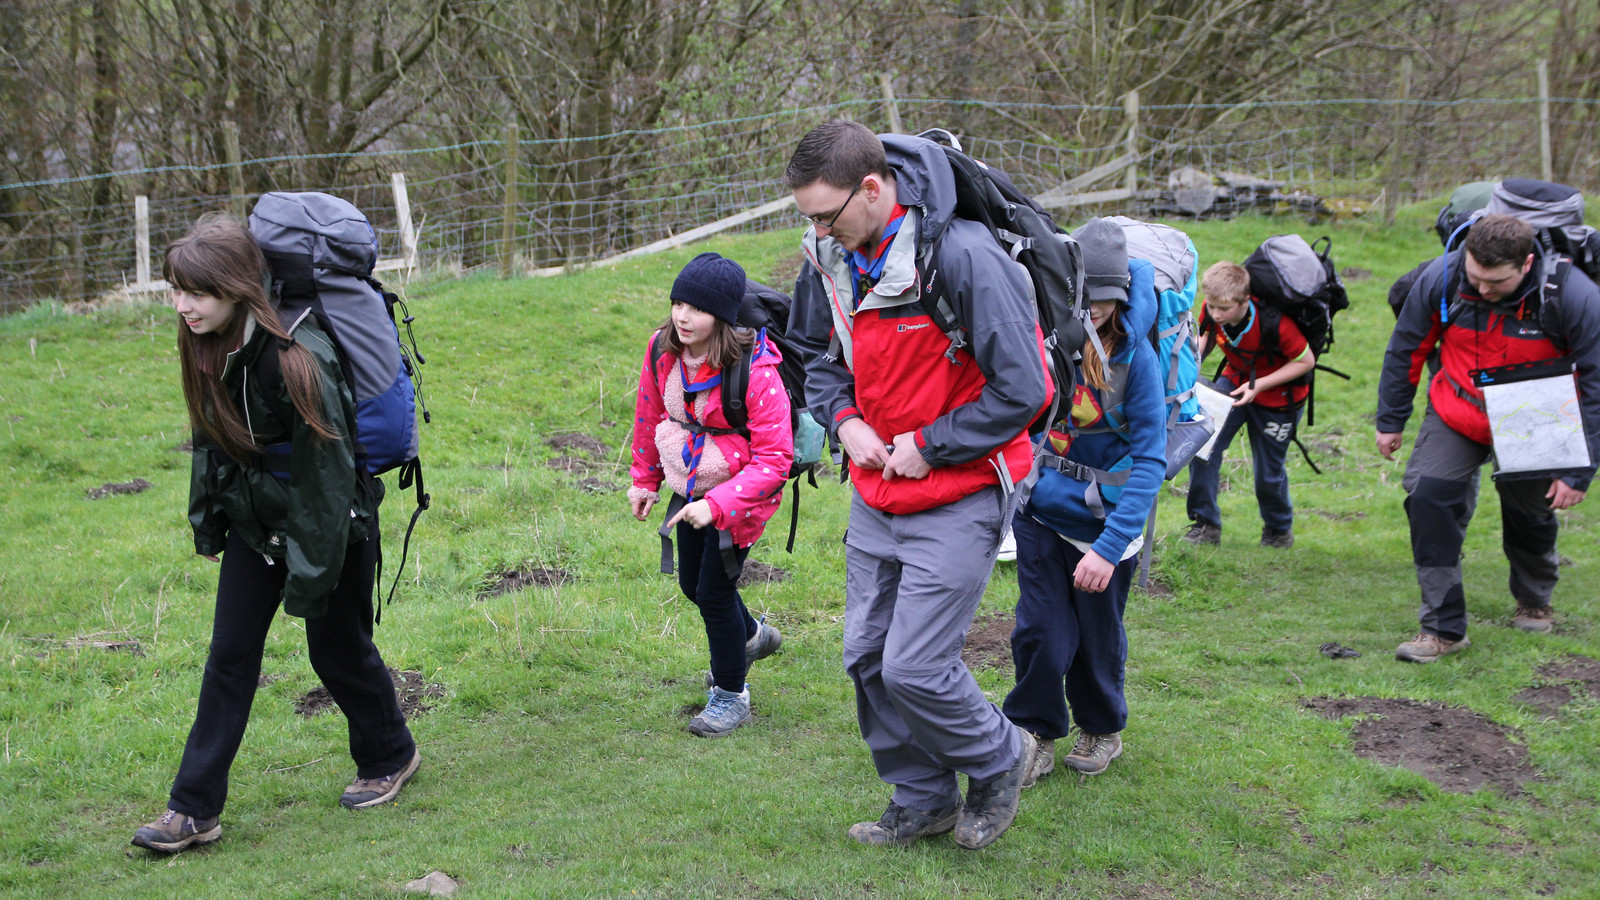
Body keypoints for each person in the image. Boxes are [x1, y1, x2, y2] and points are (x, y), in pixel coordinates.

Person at [784, 120, 1049, 850]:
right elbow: (814, 355)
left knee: (916, 664)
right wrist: (844, 424)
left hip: (961, 489)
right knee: (867, 656)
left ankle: (1001, 758)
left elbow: (1024, 389)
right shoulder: (833, 259)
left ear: (872, 189)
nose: (817, 232)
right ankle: (922, 797)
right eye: (807, 217)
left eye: (825, 216)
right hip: (876, 489)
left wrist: (930, 447)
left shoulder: (963, 258)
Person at [132, 214, 418, 854]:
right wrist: (213, 522)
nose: (183, 307)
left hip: (333, 522)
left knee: (337, 650)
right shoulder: (205, 343)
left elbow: (327, 480)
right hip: (257, 524)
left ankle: (391, 752)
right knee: (229, 657)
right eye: (175, 291)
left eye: (196, 293)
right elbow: (213, 441)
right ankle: (193, 809)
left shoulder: (297, 358)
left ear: (236, 287)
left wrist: (310, 575)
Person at [1377, 214, 1600, 661]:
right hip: (1458, 407)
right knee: (1427, 497)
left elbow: (1597, 383)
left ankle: (1534, 597)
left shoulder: (1574, 296)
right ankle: (1443, 628)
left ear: (1526, 264)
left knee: (1529, 513)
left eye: (1494, 282)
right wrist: (1392, 417)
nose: (1481, 290)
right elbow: (1408, 345)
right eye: (1475, 277)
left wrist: (1579, 470)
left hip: (1534, 413)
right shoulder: (1442, 276)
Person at [1003, 218, 1165, 785]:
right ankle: (1035, 732)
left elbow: (1150, 460)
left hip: (1106, 528)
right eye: (1082, 297)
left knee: (1098, 637)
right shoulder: (1046, 340)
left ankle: (1102, 726)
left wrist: (1111, 546)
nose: (1091, 309)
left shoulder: (1138, 360)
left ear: (1120, 296)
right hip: (1042, 512)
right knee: (1040, 630)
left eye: (1103, 299)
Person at [629, 252, 792, 737]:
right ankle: (752, 637)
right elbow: (650, 409)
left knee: (714, 593)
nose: (682, 315)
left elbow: (775, 460)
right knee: (690, 586)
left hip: (741, 496)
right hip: (690, 483)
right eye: (678, 302)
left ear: (721, 316)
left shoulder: (757, 371)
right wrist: (645, 478)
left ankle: (730, 695)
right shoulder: (663, 350)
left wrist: (718, 505)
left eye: (696, 309)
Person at [1183, 261, 1315, 548]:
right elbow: (1205, 336)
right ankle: (1206, 525)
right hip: (1235, 383)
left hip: (1279, 397)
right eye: (1213, 306)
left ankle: (1278, 530)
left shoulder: (1276, 323)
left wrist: (1260, 386)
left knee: (1268, 471)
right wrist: (1189, 367)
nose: (1216, 313)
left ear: (1244, 301)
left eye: (1224, 309)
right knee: (1203, 446)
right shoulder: (1214, 308)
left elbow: (1306, 362)